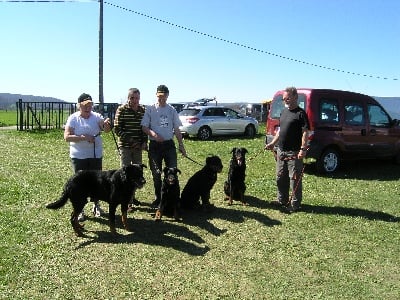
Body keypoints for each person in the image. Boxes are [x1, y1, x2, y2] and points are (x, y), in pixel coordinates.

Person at [64, 93, 111, 221]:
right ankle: (80, 210)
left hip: (95, 156)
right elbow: (67, 137)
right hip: (79, 157)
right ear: (79, 105)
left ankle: (96, 206)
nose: (88, 107)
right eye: (85, 105)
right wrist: (82, 138)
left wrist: (106, 124)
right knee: (80, 184)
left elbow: (106, 130)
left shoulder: (96, 117)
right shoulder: (73, 118)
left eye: (90, 105)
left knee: (97, 183)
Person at [141, 84, 187, 208]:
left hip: (169, 145)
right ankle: (159, 198)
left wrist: (181, 145)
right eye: (159, 96)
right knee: (156, 173)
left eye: (164, 96)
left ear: (167, 96)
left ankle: (173, 199)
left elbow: (177, 129)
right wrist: (153, 134)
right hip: (155, 146)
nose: (161, 98)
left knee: (172, 171)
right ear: (156, 95)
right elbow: (144, 127)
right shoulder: (150, 109)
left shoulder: (171, 110)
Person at [265, 87, 309, 212]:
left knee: (294, 179)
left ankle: (295, 205)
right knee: (280, 177)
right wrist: (273, 143)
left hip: (294, 152)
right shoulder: (284, 112)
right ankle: (282, 200)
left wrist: (303, 149)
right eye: (284, 99)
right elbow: (280, 131)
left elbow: (306, 132)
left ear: (295, 97)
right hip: (281, 151)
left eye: (288, 98)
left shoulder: (300, 113)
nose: (286, 101)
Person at [114, 88, 147, 210]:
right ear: (128, 98)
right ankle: (126, 201)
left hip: (138, 147)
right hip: (126, 147)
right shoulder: (121, 109)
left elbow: (144, 128)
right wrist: (131, 141)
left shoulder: (142, 110)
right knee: (126, 174)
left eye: (137, 98)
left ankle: (131, 197)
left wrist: (144, 142)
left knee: (137, 174)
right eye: (132, 98)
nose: (135, 100)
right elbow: (117, 128)